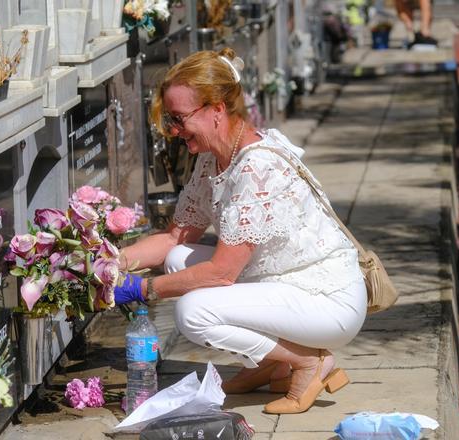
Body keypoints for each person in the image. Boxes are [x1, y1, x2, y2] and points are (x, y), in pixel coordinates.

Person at [113, 48, 367, 414]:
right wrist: (110, 264)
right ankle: (270, 364)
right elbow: (174, 238)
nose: (173, 131)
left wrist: (144, 289)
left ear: (217, 109)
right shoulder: (213, 156)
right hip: (284, 280)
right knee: (177, 258)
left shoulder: (255, 168)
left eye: (178, 118)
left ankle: (306, 361)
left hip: (326, 299)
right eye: (168, 119)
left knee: (192, 312)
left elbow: (221, 272)